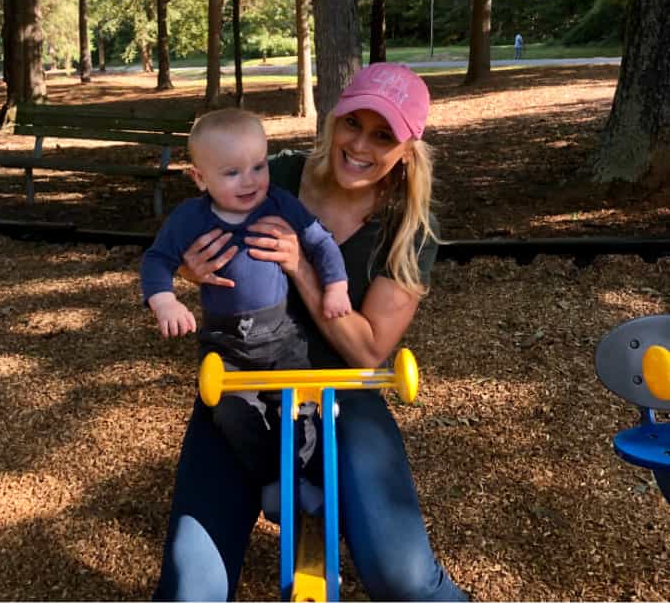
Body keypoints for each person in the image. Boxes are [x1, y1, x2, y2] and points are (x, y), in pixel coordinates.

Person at [152, 63, 469, 602]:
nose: (360, 145)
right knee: (189, 590)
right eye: (353, 124)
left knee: (405, 579)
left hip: (342, 394)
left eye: (383, 134)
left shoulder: (409, 225)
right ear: (333, 118)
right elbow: (186, 224)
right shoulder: (273, 176)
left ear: (408, 146)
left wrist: (303, 267)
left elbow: (370, 350)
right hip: (244, 386)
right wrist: (187, 268)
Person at [142, 108, 350, 497]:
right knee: (231, 413)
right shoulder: (190, 218)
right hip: (225, 344)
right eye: (232, 172)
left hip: (281, 336)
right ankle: (273, 481)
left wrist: (336, 286)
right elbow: (156, 259)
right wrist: (164, 300)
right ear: (199, 178)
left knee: (299, 408)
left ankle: (305, 477)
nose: (250, 181)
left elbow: (320, 240)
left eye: (258, 166)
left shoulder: (278, 203)